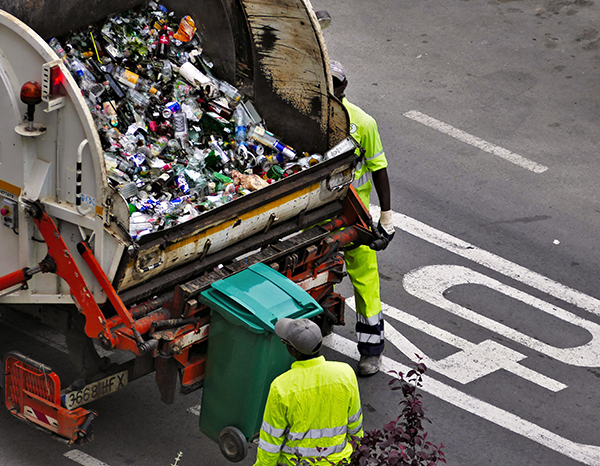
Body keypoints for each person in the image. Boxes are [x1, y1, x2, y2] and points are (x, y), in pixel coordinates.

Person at [330, 60, 395, 377]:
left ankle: (371, 352)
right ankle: (317, 325)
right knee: (316, 271)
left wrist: (386, 216)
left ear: (345, 86)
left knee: (366, 283)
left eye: (336, 83)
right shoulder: (309, 117)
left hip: (354, 216)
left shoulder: (363, 124)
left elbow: (379, 168)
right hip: (318, 213)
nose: (331, 88)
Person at [254, 318, 364, 466]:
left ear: (292, 350)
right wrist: (357, 453)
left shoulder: (281, 387)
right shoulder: (345, 374)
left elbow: (271, 440)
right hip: (339, 461)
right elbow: (355, 423)